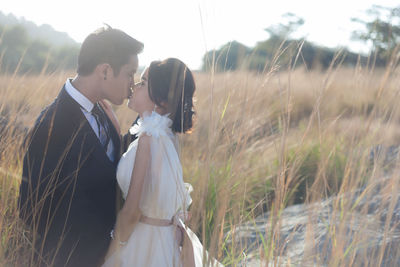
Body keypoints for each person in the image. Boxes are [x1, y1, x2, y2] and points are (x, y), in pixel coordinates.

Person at [18, 26, 143, 266]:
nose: (132, 84)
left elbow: (110, 161)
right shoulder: (52, 124)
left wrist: (151, 118)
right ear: (105, 70)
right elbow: (30, 208)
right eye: (130, 73)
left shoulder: (102, 111)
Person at [102, 58, 223, 267]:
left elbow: (132, 210)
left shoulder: (149, 139)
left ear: (162, 100)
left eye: (143, 82)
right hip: (166, 240)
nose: (134, 86)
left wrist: (112, 251)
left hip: (143, 245)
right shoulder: (168, 136)